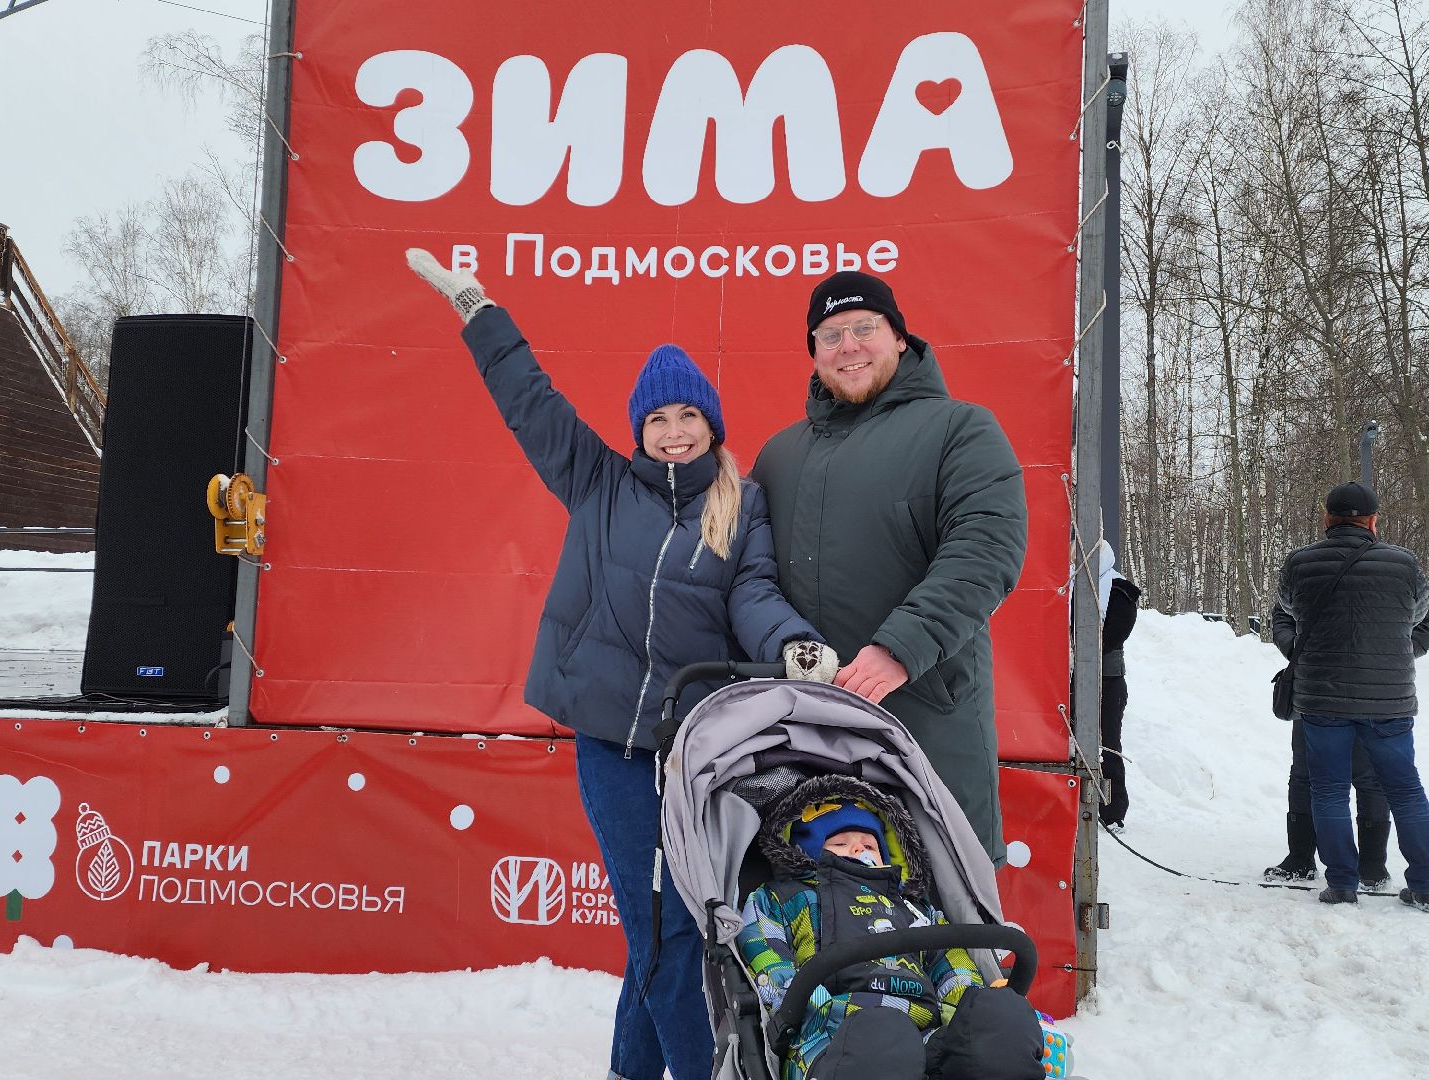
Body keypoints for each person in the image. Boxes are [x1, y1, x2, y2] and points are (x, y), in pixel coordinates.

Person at [405, 249, 840, 1080]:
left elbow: (752, 594)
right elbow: (529, 401)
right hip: (611, 743)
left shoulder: (740, 504)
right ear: (637, 430)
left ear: (712, 425)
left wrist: (794, 644)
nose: (673, 430)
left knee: (668, 929)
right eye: (657, 419)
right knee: (665, 935)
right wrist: (477, 309)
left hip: (693, 747)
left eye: (687, 416)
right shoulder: (598, 481)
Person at [752, 271, 1029, 863]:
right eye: (830, 335)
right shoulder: (778, 456)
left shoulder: (961, 429)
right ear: (814, 352)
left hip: (926, 720)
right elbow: (750, 577)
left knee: (941, 916)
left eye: (863, 328)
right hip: (807, 732)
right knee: (812, 909)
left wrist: (899, 648)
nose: (848, 347)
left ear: (899, 336)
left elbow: (986, 548)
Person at [740, 776, 1045, 1080]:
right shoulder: (787, 898)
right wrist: (813, 1010)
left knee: (1000, 1019)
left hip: (925, 1035)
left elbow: (950, 965)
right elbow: (768, 958)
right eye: (841, 844)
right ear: (807, 853)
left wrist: (971, 1011)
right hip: (831, 1039)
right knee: (883, 1038)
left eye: (869, 843)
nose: (859, 849)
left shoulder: (912, 907)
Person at [1270, 481, 1429, 911]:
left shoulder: (1301, 562)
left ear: (1327, 518)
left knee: (1327, 790)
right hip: (1389, 701)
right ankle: (1424, 885)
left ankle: (1343, 883)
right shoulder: (1404, 564)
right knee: (1406, 790)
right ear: (1373, 521)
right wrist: (1393, 650)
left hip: (1322, 699)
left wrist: (1304, 646)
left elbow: (1287, 606)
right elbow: (1419, 618)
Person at [1263, 722, 1394, 889]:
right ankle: (1300, 858)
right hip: (1311, 701)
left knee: (1368, 778)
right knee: (1303, 774)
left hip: (1365, 704)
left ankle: (1372, 864)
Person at [1096, 542, 1141, 830]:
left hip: (1107, 680)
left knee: (1108, 744)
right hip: (1068, 676)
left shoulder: (1120, 590)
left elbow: (1114, 636)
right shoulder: (1067, 583)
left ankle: (1112, 810)